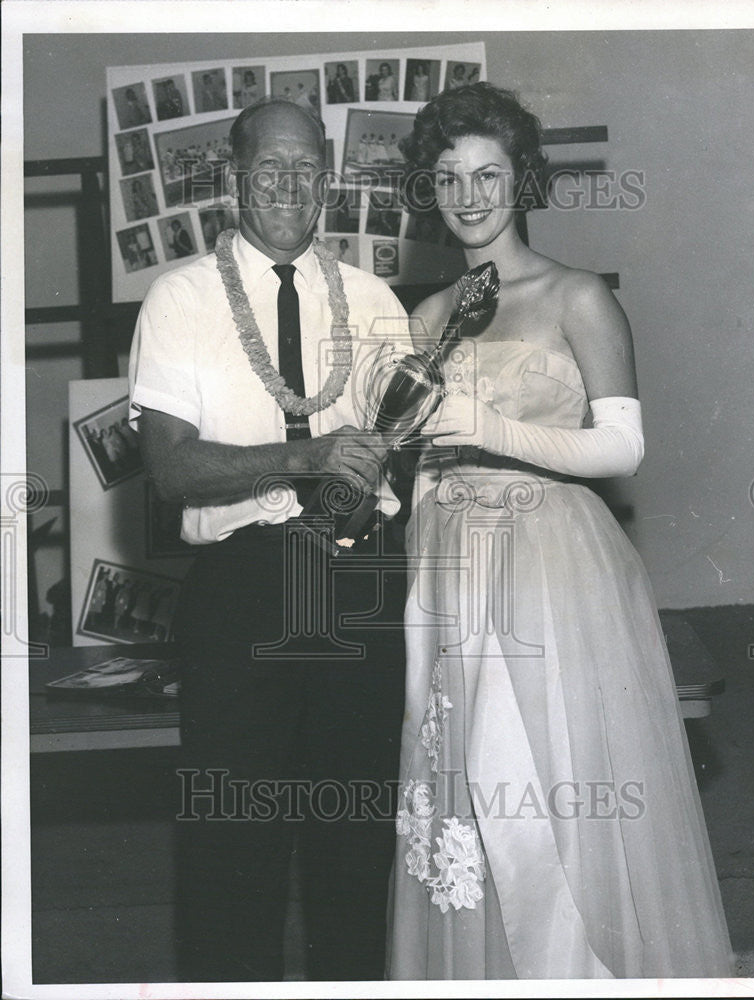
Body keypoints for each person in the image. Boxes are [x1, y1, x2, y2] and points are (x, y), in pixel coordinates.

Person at [386, 82, 734, 980]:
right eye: (448, 177)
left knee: (543, 812)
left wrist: (487, 432)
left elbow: (623, 447)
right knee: (470, 810)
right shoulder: (424, 320)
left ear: (523, 181)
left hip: (553, 570)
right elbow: (423, 459)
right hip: (452, 573)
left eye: (488, 175)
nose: (468, 197)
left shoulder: (576, 295)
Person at [129, 96, 409, 982]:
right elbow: (172, 472)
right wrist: (313, 457)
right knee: (232, 837)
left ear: (327, 180)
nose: (288, 185)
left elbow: (390, 477)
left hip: (357, 589)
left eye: (306, 169)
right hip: (240, 587)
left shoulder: (374, 299)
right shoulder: (179, 296)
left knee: (357, 838)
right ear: (233, 178)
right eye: (268, 168)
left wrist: (360, 492)